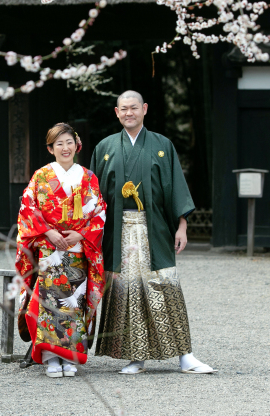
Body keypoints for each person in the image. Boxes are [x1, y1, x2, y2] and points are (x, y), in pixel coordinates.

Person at [91, 90, 215, 374]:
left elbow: (176, 189)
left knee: (165, 286)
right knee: (130, 292)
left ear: (144, 109)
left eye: (134, 108)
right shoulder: (105, 147)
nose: (129, 113)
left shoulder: (162, 145)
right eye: (124, 109)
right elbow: (93, 198)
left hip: (155, 228)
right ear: (116, 112)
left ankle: (186, 356)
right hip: (119, 232)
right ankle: (136, 357)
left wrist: (182, 226)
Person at [15, 123, 107, 378]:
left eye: (69, 142)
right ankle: (50, 357)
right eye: (59, 144)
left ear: (76, 145)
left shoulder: (88, 177)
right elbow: (28, 209)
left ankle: (70, 356)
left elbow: (99, 212)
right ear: (50, 148)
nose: (65, 148)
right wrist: (48, 232)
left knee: (74, 304)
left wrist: (82, 233)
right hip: (49, 251)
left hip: (78, 249)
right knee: (48, 304)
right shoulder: (41, 177)